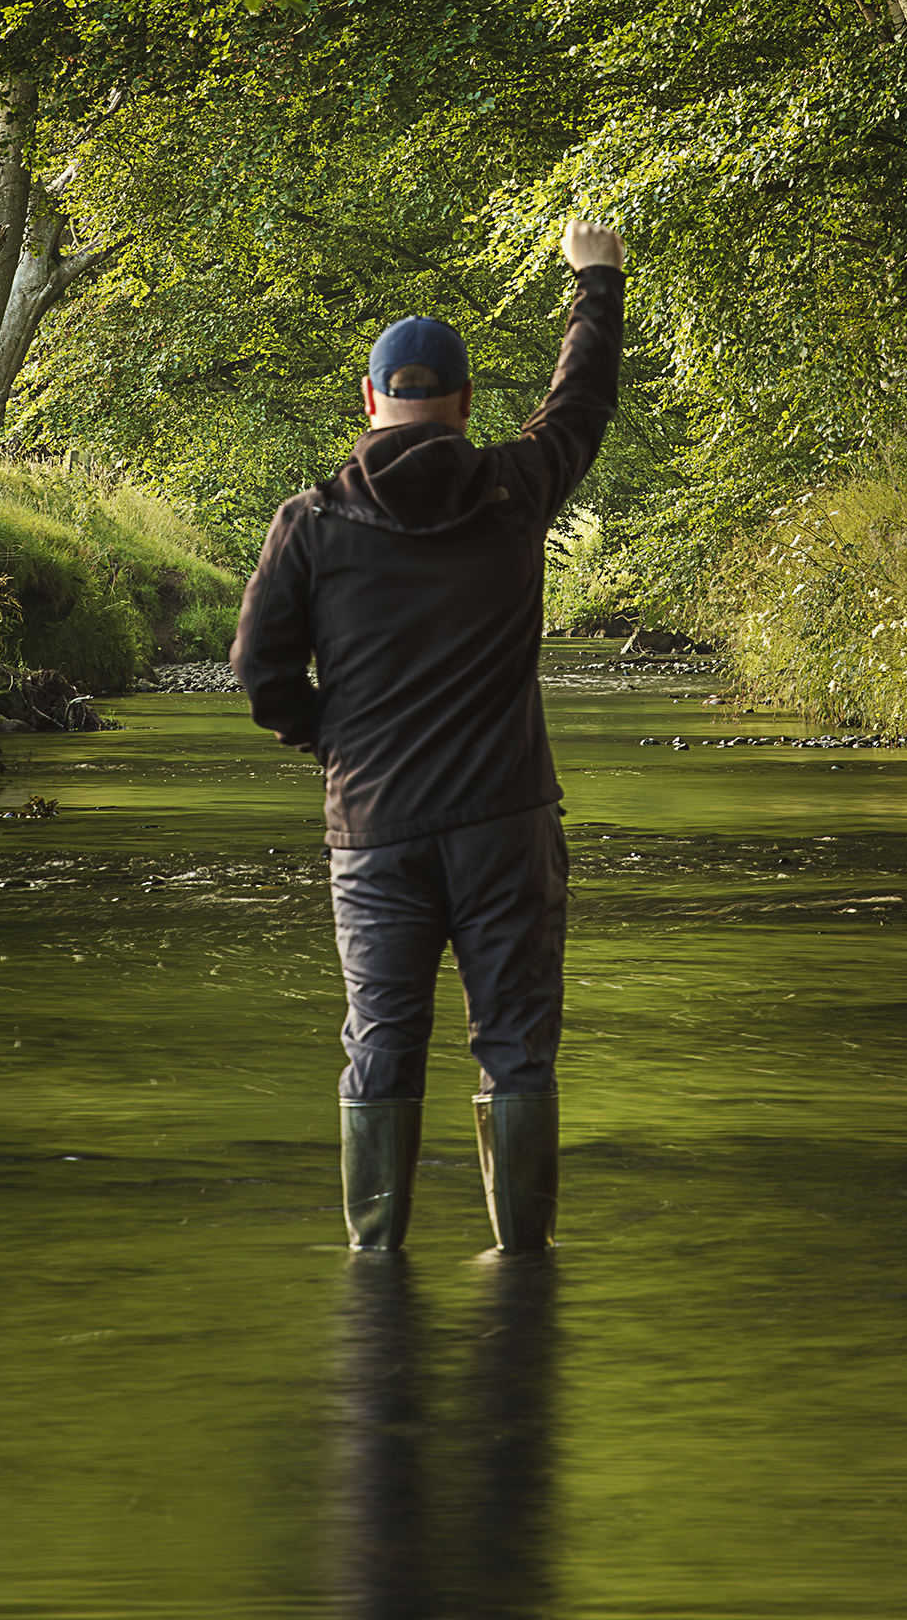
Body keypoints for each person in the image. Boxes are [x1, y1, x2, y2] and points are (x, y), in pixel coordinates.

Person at [230, 216, 625, 1254]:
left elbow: (258, 677)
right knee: (515, 1050)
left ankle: (375, 1258)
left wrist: (334, 743)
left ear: (367, 403)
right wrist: (595, 280)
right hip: (503, 825)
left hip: (374, 832)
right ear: (461, 403)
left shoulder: (307, 524)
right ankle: (519, 1259)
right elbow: (580, 401)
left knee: (382, 1045)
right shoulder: (514, 488)